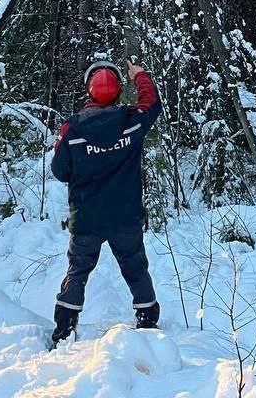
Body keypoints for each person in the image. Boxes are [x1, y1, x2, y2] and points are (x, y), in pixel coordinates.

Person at [50, 59, 163, 345]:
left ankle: (64, 327)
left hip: (87, 218)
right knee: (135, 266)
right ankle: (148, 321)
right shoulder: (131, 121)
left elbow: (60, 172)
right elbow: (152, 102)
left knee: (78, 270)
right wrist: (140, 75)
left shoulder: (72, 131)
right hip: (125, 216)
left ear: (88, 91)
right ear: (117, 91)